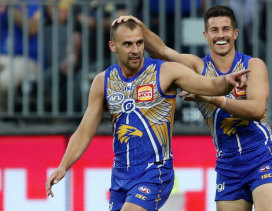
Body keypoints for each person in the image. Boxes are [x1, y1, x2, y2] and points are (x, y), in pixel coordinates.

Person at [45, 19, 249, 211]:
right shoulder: (103, 81)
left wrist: (226, 81)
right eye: (127, 44)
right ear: (112, 46)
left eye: (139, 43)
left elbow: (210, 85)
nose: (135, 50)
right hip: (120, 176)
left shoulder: (165, 71)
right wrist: (63, 166)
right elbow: (84, 130)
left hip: (155, 173)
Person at [115, 5, 272, 211]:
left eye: (226, 29)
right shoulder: (198, 67)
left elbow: (257, 110)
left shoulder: (253, 65)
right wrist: (138, 26)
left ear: (235, 33)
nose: (220, 35)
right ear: (205, 35)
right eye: (214, 30)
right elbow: (161, 50)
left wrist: (212, 97)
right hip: (227, 165)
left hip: (260, 155)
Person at [0, 0, 40, 111]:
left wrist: (11, 7)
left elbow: (32, 28)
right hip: (4, 57)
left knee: (3, 81)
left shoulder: (32, 2)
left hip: (29, 59)